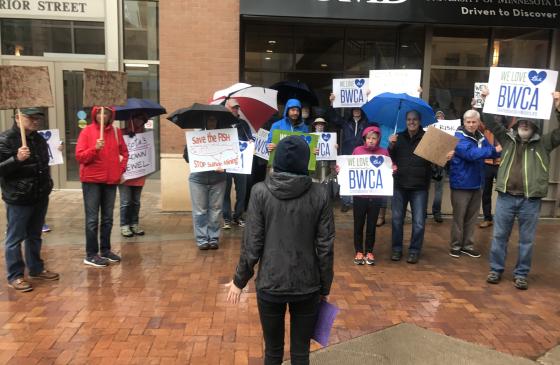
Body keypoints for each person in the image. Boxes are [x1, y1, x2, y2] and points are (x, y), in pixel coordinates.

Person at [226, 135, 334, 365]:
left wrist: (239, 280)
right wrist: (325, 285)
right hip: (307, 284)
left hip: (271, 283)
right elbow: (325, 246)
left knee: (273, 352)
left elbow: (252, 243)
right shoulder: (319, 194)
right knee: (300, 353)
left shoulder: (259, 191)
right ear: (305, 161)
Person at [483, 91, 560, 290]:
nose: (524, 124)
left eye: (528, 122)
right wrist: (488, 99)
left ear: (535, 126)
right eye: (521, 122)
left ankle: (521, 274)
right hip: (506, 198)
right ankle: (495, 269)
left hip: (530, 200)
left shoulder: (544, 143)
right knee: (499, 236)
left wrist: (559, 107)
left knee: (527, 240)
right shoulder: (507, 140)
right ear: (516, 125)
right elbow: (490, 121)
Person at [0, 108, 59, 292]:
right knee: (15, 238)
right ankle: (15, 275)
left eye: (38, 117)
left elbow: (43, 164)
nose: (36, 121)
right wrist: (16, 159)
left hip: (39, 195)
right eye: (31, 118)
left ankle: (36, 268)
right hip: (19, 197)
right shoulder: (6, 139)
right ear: (18, 118)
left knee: (34, 235)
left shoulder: (38, 138)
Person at [388, 110, 453, 264]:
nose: (412, 122)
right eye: (409, 119)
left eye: (415, 119)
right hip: (400, 185)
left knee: (418, 222)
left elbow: (439, 161)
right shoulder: (398, 138)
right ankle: (396, 249)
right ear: (405, 121)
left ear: (419, 121)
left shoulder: (428, 138)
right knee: (397, 220)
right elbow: (390, 160)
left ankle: (414, 250)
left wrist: (447, 157)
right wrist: (391, 146)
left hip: (419, 187)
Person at [76, 106, 128, 267]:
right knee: (92, 220)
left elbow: (125, 153)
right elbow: (80, 156)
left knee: (108, 218)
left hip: (111, 181)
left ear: (110, 115)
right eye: (99, 112)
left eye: (106, 113)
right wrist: (94, 149)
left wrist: (119, 170)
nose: (102, 115)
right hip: (92, 181)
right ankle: (91, 254)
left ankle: (105, 250)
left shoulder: (115, 132)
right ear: (94, 114)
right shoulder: (87, 132)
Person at [448, 109, 501, 259]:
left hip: (477, 183)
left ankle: (467, 245)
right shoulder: (458, 137)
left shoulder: (480, 136)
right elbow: (470, 154)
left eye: (474, 122)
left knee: (472, 218)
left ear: (478, 123)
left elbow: (489, 150)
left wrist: (496, 150)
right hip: (461, 183)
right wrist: (493, 151)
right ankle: (455, 246)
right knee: (459, 218)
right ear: (463, 122)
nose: (471, 125)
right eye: (468, 122)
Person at [183, 116, 227, 250]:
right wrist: (193, 150)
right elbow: (186, 157)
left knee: (216, 210)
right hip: (198, 180)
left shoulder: (224, 137)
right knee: (200, 212)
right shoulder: (196, 137)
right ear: (205, 121)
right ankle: (202, 239)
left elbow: (231, 156)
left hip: (218, 180)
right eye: (209, 120)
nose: (212, 122)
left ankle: (213, 238)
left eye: (214, 120)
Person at [351, 125, 388, 265]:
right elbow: (350, 167)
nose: (371, 140)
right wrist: (341, 169)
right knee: (358, 224)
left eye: (374, 138)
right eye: (368, 138)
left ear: (378, 139)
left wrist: (393, 168)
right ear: (364, 139)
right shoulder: (357, 151)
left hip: (376, 197)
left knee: (372, 225)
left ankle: (370, 251)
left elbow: (389, 167)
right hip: (359, 196)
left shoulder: (384, 153)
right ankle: (359, 251)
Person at [326, 93, 368, 212]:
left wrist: (368, 98)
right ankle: (345, 202)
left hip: (361, 153)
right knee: (345, 177)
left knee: (359, 177)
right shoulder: (345, 122)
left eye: (358, 109)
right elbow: (332, 117)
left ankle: (358, 201)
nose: (356, 111)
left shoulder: (366, 122)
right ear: (351, 110)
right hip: (346, 152)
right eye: (354, 109)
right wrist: (332, 103)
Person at [222, 98, 253, 229]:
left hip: (241, 164)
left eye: (237, 108)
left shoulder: (243, 124)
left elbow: (250, 138)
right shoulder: (221, 123)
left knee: (242, 191)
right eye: (233, 107)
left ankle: (238, 216)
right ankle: (227, 218)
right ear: (226, 108)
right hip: (226, 163)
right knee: (225, 191)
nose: (236, 110)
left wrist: (251, 142)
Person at [119, 112, 149, 237]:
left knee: (136, 201)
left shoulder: (145, 136)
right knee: (125, 201)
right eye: (137, 119)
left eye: (142, 119)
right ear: (130, 119)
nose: (139, 122)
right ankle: (124, 225)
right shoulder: (120, 133)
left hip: (139, 173)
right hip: (124, 173)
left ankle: (134, 224)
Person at [479, 114, 507, 228]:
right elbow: (477, 123)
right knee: (486, 193)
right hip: (487, 164)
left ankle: (502, 219)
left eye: (499, 116)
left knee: (503, 193)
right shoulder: (486, 129)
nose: (496, 117)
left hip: (501, 164)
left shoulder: (506, 131)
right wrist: (475, 107)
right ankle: (487, 218)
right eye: (494, 116)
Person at [430, 110, 447, 223]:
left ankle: (436, 212)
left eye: (441, 117)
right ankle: (423, 212)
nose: (440, 118)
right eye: (437, 117)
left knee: (439, 191)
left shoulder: (448, 132)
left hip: (442, 164)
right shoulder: (429, 130)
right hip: (429, 163)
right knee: (424, 189)